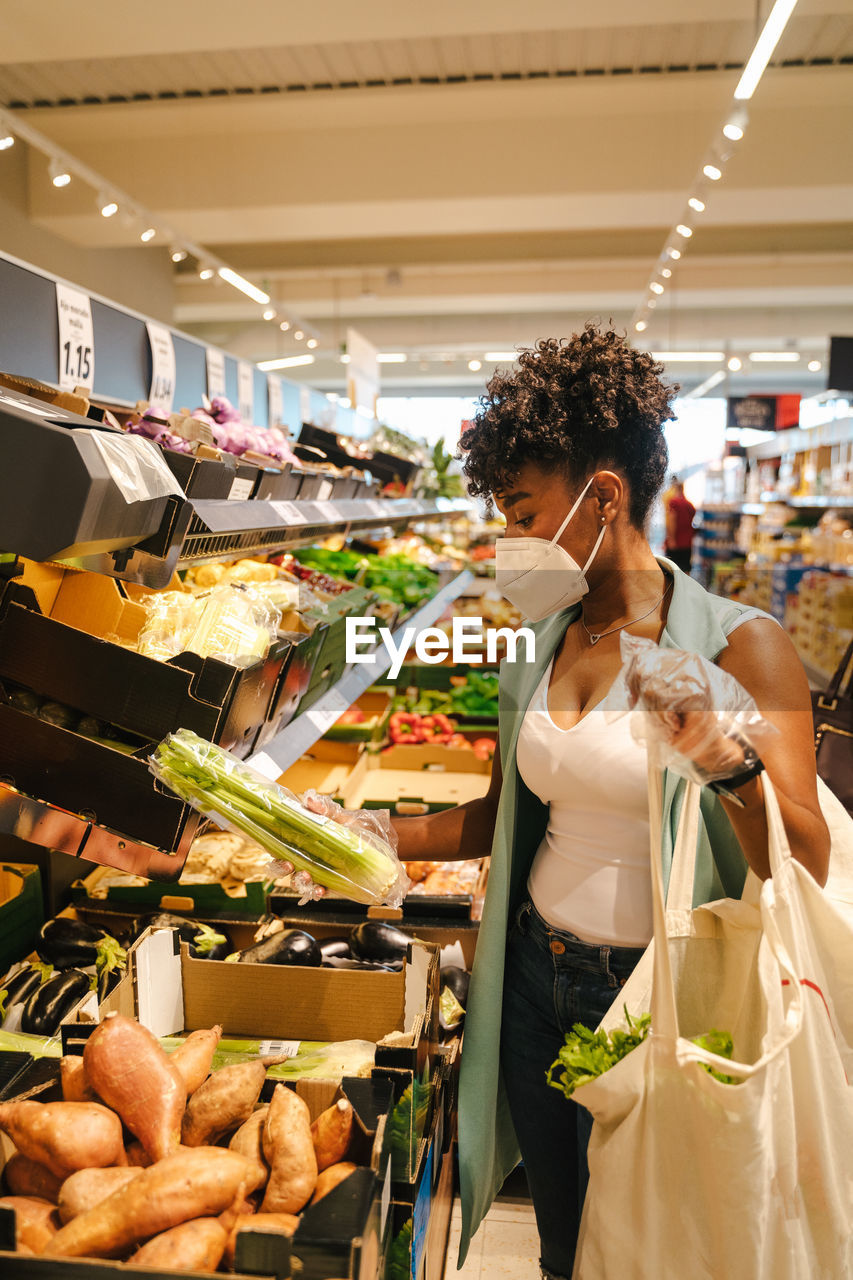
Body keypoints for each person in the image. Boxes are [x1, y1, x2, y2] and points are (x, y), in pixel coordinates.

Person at [384, 326, 829, 1280]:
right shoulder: (543, 642)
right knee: (563, 1238)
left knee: (657, 1241)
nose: (506, 539)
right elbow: (499, 816)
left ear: (604, 495)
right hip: (533, 981)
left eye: (519, 509)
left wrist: (725, 756)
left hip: (662, 996)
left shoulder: (741, 646)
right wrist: (373, 834)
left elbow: (804, 855)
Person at [663, 474, 696, 574]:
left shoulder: (673, 502)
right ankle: (685, 589)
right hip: (687, 543)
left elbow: (671, 520)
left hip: (676, 542)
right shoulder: (689, 504)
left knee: (671, 572)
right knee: (686, 570)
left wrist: (671, 538)